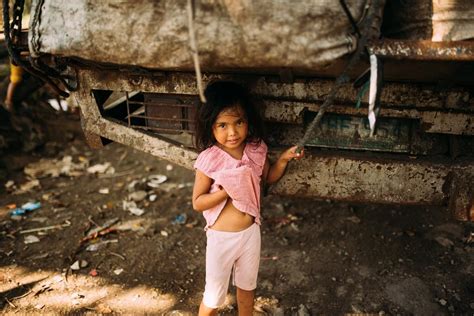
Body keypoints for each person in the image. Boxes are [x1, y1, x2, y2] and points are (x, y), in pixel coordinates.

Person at [192, 81, 304, 316]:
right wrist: (225, 191)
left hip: (251, 232)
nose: (232, 132)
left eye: (238, 123)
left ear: (248, 121)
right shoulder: (209, 159)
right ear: (210, 126)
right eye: (222, 125)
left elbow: (268, 178)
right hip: (221, 238)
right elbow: (198, 202)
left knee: (247, 288)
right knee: (214, 295)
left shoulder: (256, 149)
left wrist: (283, 159)